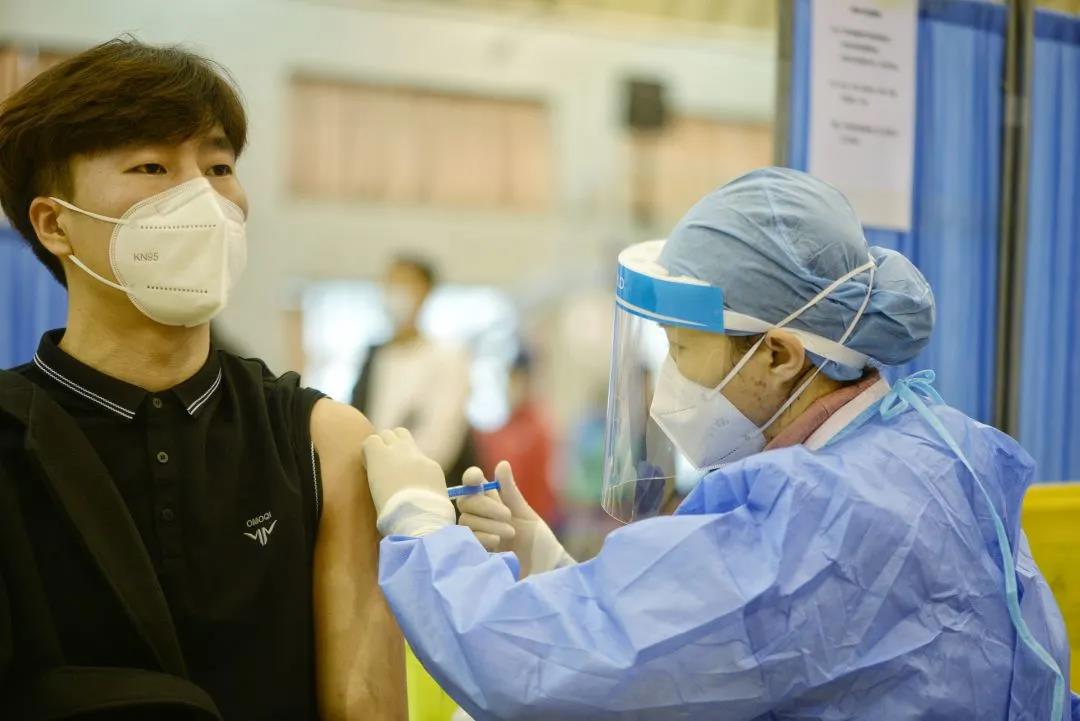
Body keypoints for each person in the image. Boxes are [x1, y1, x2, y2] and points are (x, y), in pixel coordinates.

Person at [361, 168, 1078, 720]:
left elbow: (528, 671)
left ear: (779, 355)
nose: (670, 378)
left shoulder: (808, 518)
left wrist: (418, 522)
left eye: (683, 349)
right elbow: (709, 648)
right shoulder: (932, 448)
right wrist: (549, 563)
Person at [0, 39, 405, 720]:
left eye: (219, 167)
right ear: (55, 224)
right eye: (152, 166)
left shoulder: (320, 441)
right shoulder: (13, 435)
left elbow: (365, 706)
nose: (202, 197)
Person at [350, 256, 474, 486]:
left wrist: (394, 479)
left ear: (425, 292)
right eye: (390, 283)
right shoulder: (376, 356)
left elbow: (439, 441)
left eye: (405, 284)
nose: (395, 293)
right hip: (371, 483)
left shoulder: (447, 356)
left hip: (423, 487)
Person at [473, 349, 559, 527]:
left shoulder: (538, 428)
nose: (511, 388)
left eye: (518, 380)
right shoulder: (502, 430)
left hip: (533, 522)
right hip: (504, 522)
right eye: (510, 380)